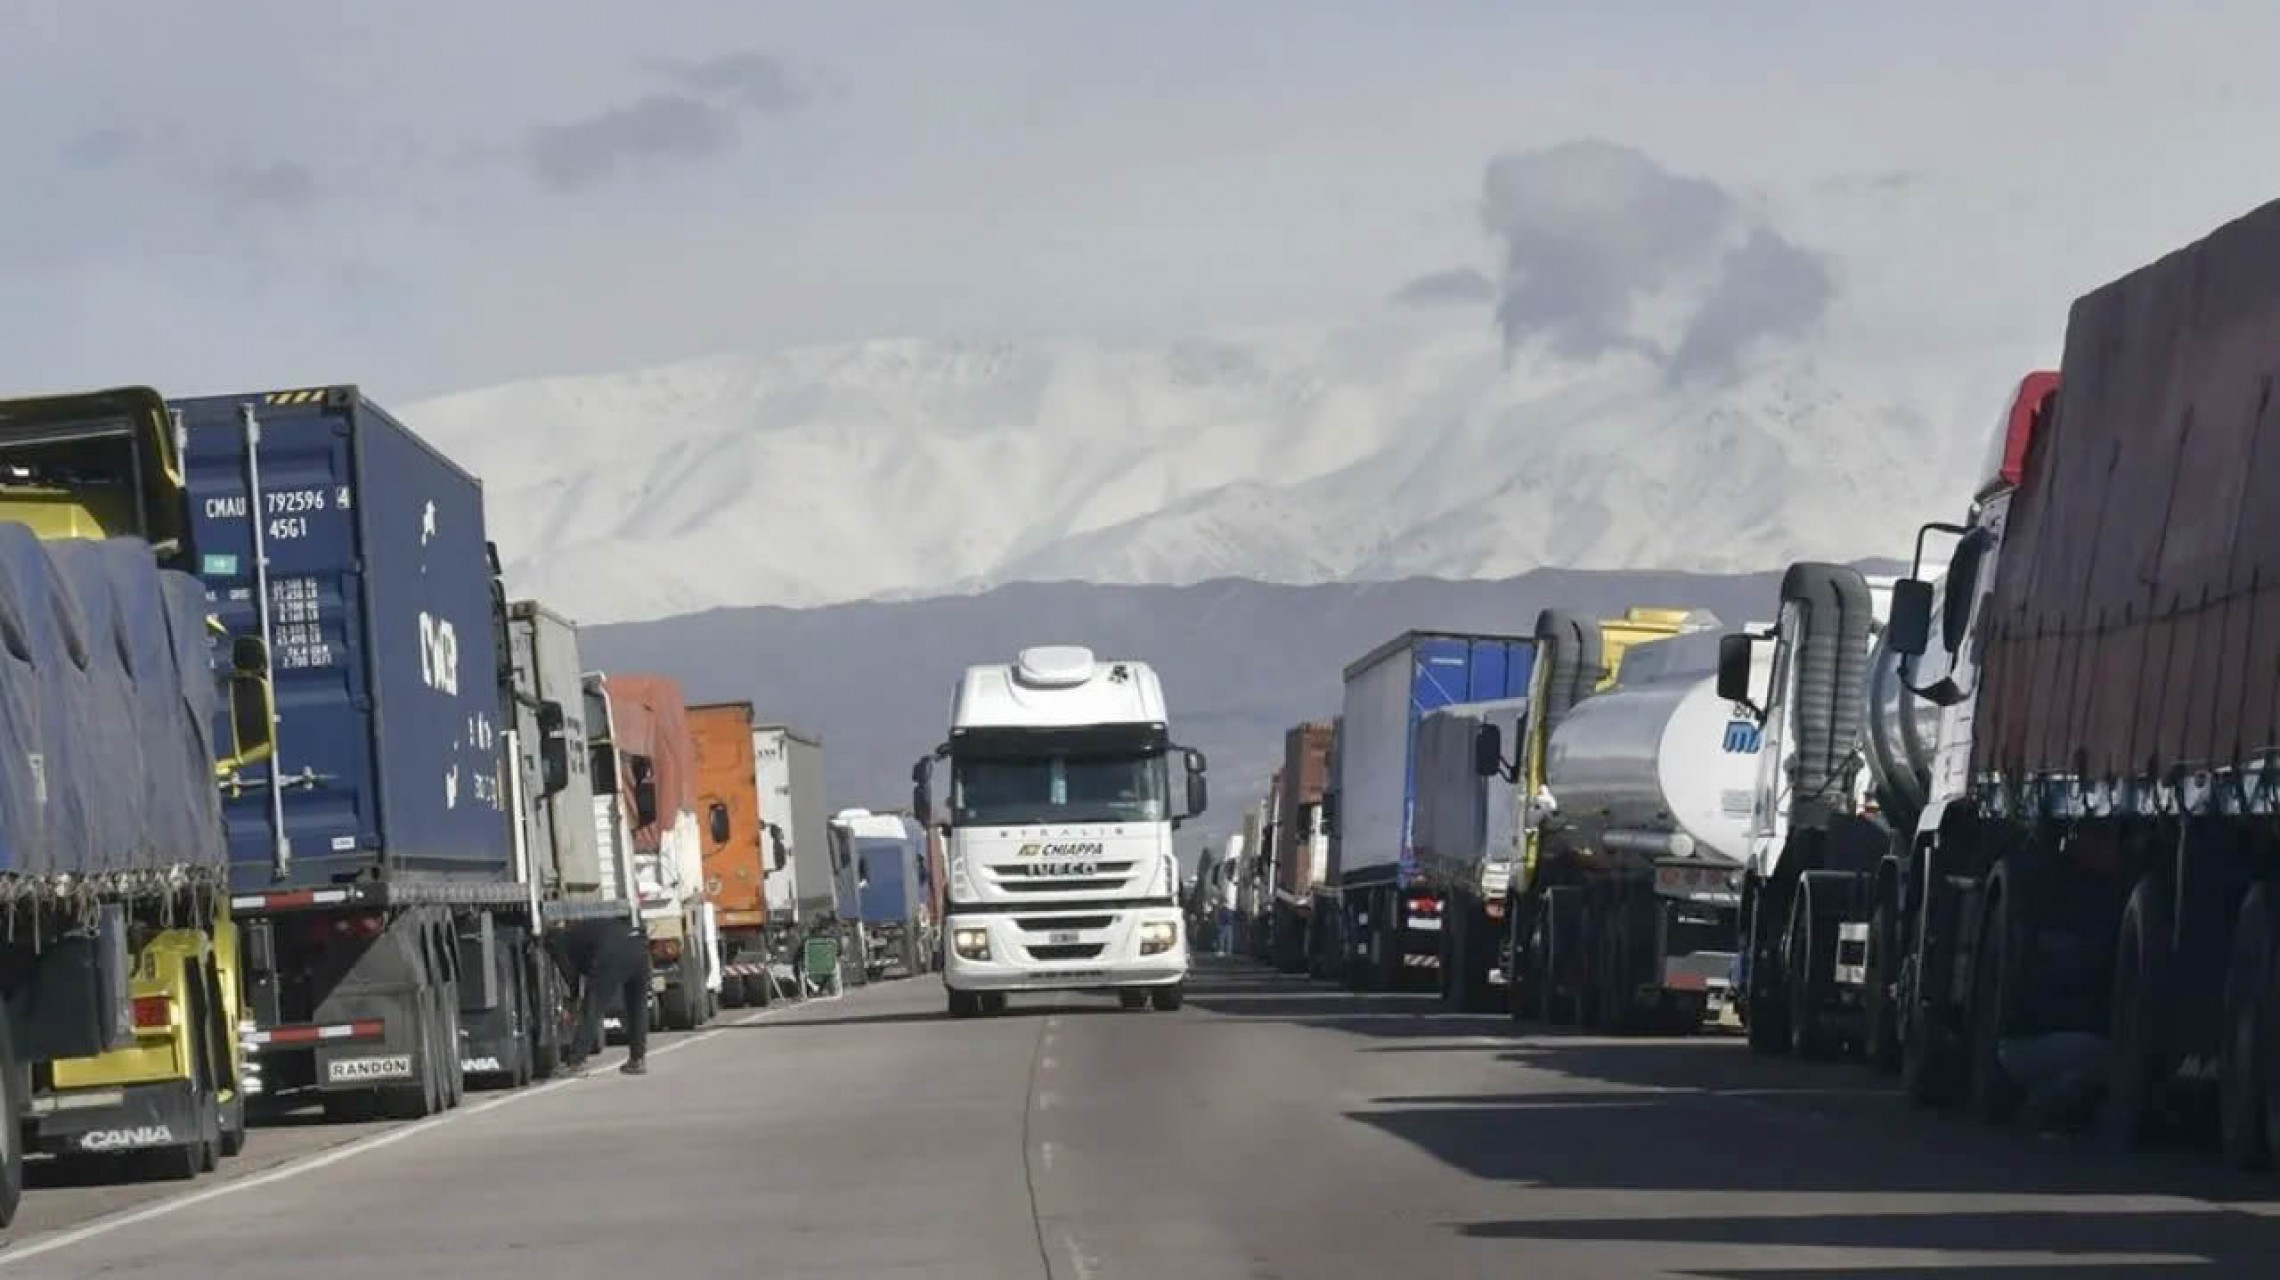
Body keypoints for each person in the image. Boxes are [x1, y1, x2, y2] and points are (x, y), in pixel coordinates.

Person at [546, 915, 654, 1076]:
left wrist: (573, 1001)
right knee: (637, 1007)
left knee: (592, 1008)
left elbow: (570, 976)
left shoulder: (559, 943)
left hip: (611, 953)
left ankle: (576, 1061)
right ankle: (637, 1059)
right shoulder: (584, 929)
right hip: (639, 946)